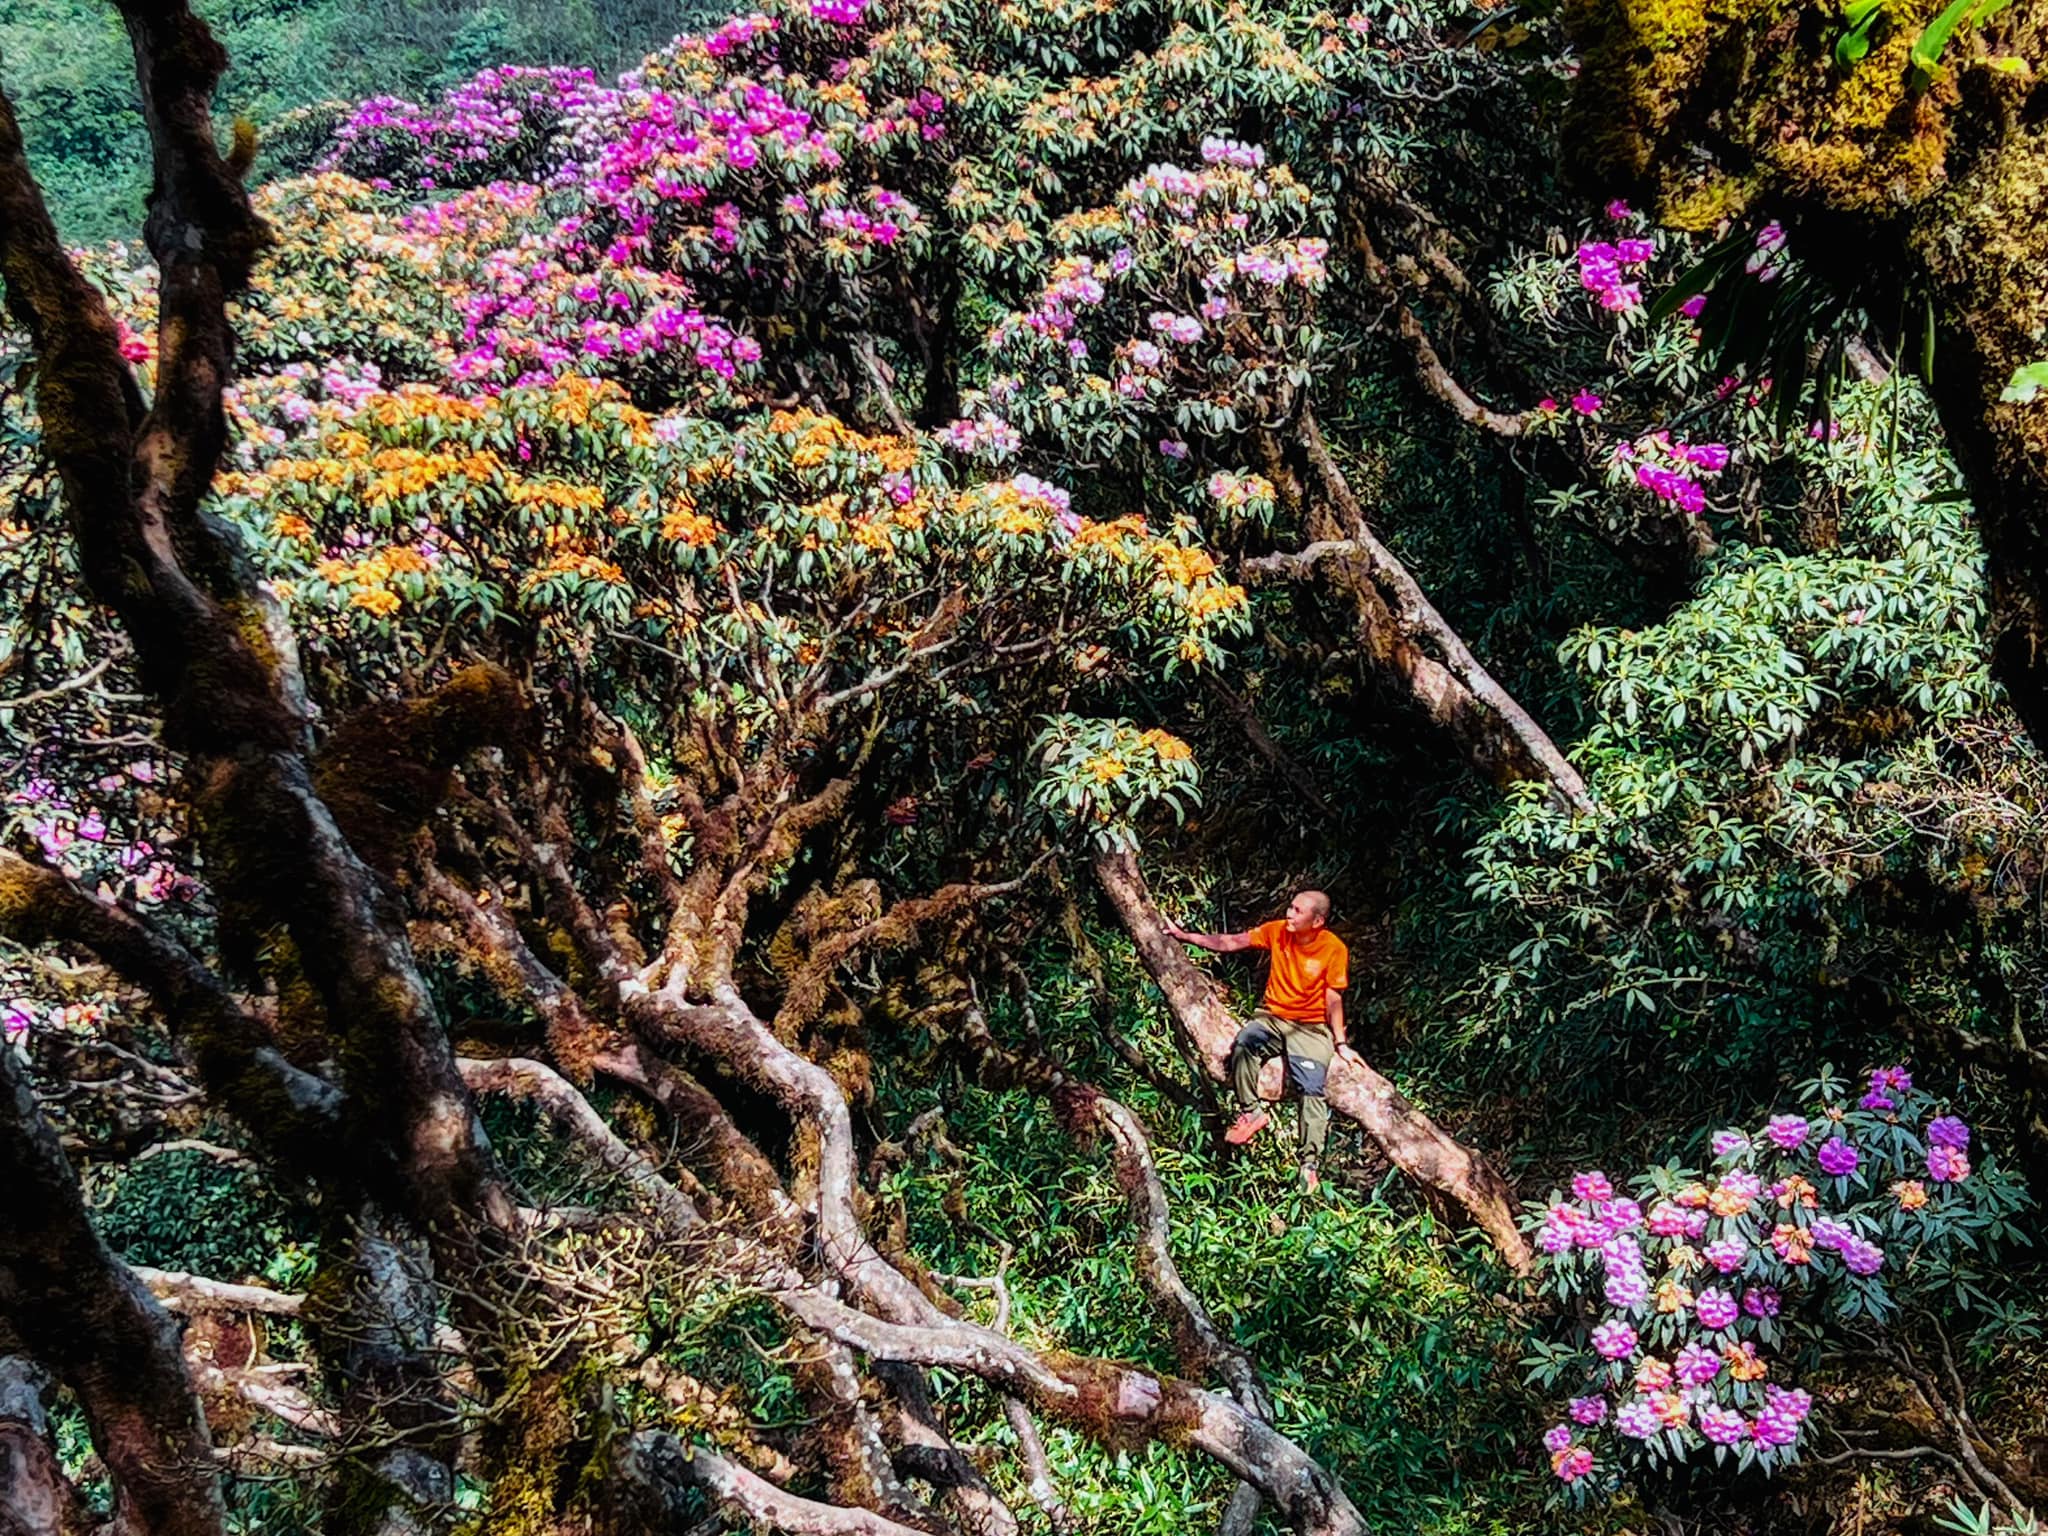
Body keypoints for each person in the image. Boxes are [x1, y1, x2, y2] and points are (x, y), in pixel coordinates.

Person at [1163, 890, 1357, 1194]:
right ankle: (1252, 1113)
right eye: (1290, 907)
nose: (1289, 914)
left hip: (1310, 1027)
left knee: (1311, 1087)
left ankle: (1309, 1164)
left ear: (1317, 920)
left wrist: (1341, 1043)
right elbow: (1232, 942)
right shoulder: (1278, 931)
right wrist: (1185, 936)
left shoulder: (1333, 949)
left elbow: (1334, 999)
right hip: (1271, 1017)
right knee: (1242, 1046)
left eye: (1297, 910)